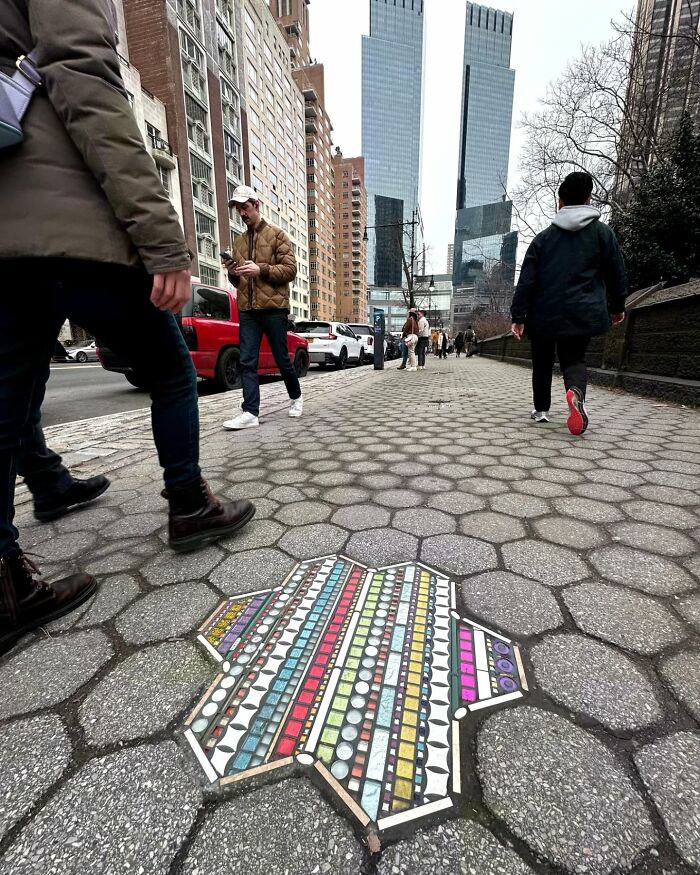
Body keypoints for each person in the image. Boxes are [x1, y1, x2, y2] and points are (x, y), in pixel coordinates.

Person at [0, 0, 255, 655]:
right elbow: (84, 78)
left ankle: (7, 568)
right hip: (67, 217)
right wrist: (160, 235)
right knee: (171, 366)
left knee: (10, 391)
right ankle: (189, 502)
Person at [510, 171, 627, 434]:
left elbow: (526, 280)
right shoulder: (602, 234)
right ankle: (575, 391)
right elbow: (616, 272)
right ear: (588, 198)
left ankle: (541, 410)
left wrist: (518, 317)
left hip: (543, 314)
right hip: (582, 311)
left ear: (559, 201)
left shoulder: (544, 239)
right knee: (574, 358)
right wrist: (617, 306)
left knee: (541, 361)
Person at [221, 186, 303, 429]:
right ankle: (250, 413)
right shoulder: (238, 242)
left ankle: (296, 397)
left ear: (256, 205)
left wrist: (262, 269)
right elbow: (239, 281)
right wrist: (233, 273)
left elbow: (290, 271)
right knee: (247, 361)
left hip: (274, 309)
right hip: (248, 310)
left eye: (245, 208)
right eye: (238, 210)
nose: (242, 214)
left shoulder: (278, 235)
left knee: (281, 360)